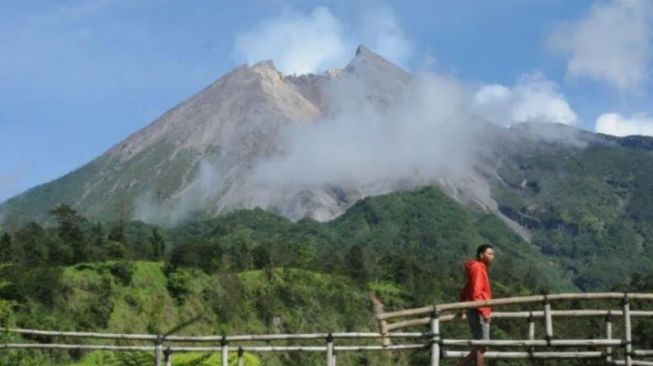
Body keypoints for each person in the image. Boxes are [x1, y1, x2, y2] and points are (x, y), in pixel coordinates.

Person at [458, 244, 495, 366]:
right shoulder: (479, 268)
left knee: (482, 345)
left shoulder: (477, 268)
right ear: (481, 255)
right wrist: (484, 313)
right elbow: (476, 293)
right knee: (482, 345)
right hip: (478, 310)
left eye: (493, 254)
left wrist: (463, 304)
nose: (492, 256)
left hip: (476, 309)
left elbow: (466, 289)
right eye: (489, 254)